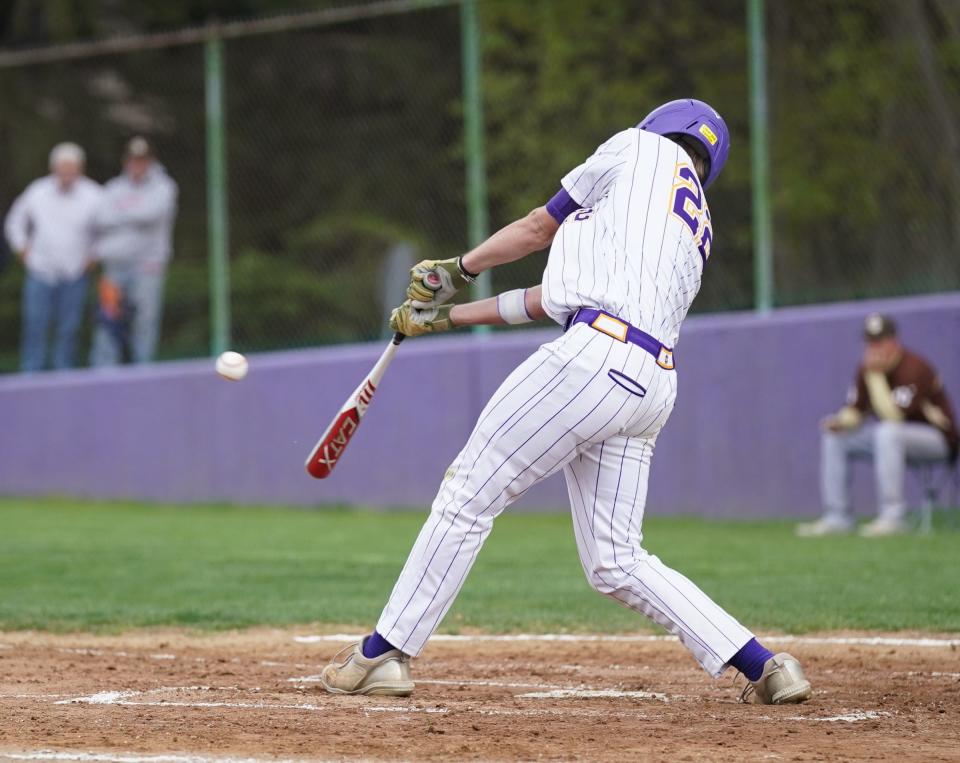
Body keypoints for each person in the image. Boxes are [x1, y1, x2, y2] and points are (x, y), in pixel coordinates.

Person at [319, 100, 812, 705]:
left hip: (593, 358)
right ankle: (766, 664)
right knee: (617, 559)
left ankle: (382, 654)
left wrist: (460, 268)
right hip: (650, 385)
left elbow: (535, 228)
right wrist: (444, 317)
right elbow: (548, 299)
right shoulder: (690, 222)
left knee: (467, 494)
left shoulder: (634, 147)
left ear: (659, 127)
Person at [797, 313, 958, 537]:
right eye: (870, 341)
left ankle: (893, 517)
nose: (874, 347)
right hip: (893, 440)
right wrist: (840, 422)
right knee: (835, 438)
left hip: (938, 441)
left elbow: (894, 416)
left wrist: (875, 377)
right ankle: (838, 517)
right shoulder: (866, 369)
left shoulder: (914, 367)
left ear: (894, 340)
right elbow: (855, 409)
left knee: (887, 432)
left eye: (879, 341)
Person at [4, 142, 102, 372]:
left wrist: (93, 256)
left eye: (72, 167)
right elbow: (14, 223)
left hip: (76, 273)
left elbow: (106, 231)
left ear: (81, 168)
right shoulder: (37, 191)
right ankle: (31, 377)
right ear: (53, 168)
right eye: (63, 167)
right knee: (34, 327)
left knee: (69, 329)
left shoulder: (95, 195)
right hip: (40, 272)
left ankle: (64, 377)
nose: (67, 173)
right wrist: (24, 251)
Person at [90, 137, 178, 366]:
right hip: (115, 266)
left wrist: (120, 213)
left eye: (142, 160)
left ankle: (143, 371)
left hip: (148, 266)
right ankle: (103, 374)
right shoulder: (114, 187)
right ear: (125, 161)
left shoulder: (164, 187)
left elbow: (151, 214)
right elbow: (101, 218)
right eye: (133, 160)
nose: (137, 165)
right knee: (108, 319)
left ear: (150, 161)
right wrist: (131, 215)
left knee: (144, 322)